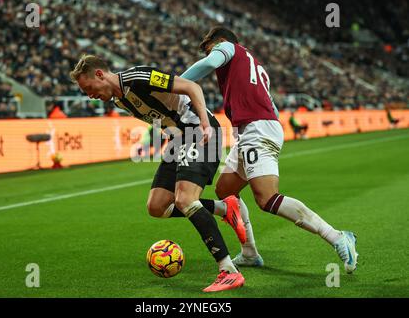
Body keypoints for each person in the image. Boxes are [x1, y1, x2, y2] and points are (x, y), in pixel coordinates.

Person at [181, 27, 359, 274]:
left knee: (266, 198)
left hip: (256, 128)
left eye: (209, 45)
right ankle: (250, 253)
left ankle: (338, 236)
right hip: (253, 128)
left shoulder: (229, 48)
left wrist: (177, 83)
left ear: (220, 41)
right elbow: (272, 107)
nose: (210, 51)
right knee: (225, 190)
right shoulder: (254, 66)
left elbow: (211, 62)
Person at [69, 54, 247, 292]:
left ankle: (228, 271)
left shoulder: (138, 78)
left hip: (199, 130)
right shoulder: (120, 101)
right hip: (179, 140)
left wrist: (204, 123)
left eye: (88, 88)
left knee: (185, 199)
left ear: (100, 74)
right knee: (157, 206)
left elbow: (191, 87)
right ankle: (224, 208)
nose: (89, 94)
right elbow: (161, 114)